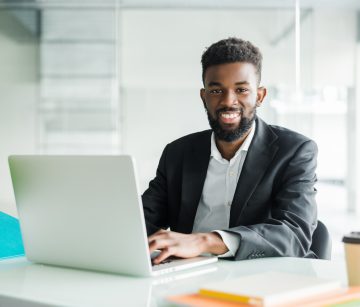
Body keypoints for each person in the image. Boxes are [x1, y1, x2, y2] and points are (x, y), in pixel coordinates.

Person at [142, 37, 318, 264]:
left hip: (261, 277)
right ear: (204, 97)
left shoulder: (294, 151)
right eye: (216, 91)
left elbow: (294, 234)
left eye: (241, 89)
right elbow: (143, 220)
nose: (228, 101)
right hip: (185, 274)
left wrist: (203, 241)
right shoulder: (178, 153)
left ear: (260, 95)